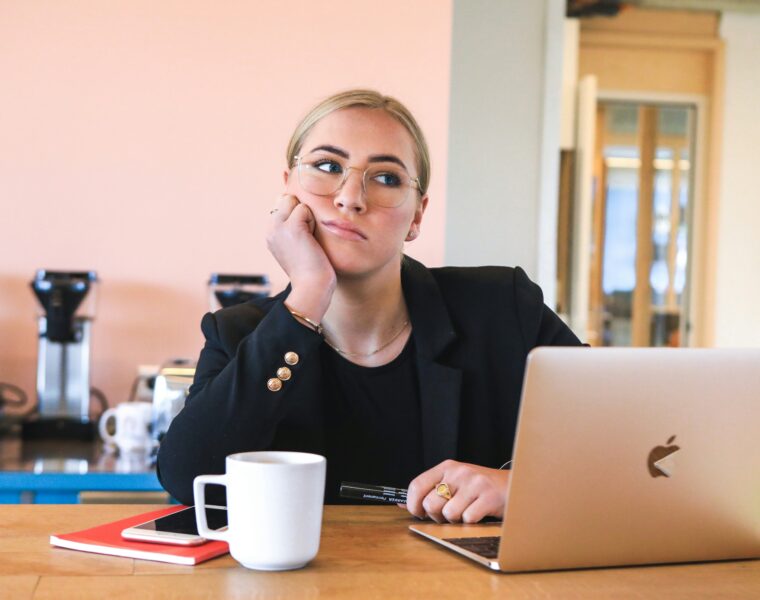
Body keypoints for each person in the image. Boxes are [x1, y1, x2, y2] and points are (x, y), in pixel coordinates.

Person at [157, 89, 582, 524]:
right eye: (327, 166)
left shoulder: (504, 307)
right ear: (287, 189)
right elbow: (188, 478)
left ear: (417, 215)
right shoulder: (237, 333)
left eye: (386, 178)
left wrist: (519, 488)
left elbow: (618, 443)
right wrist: (307, 295)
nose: (350, 198)